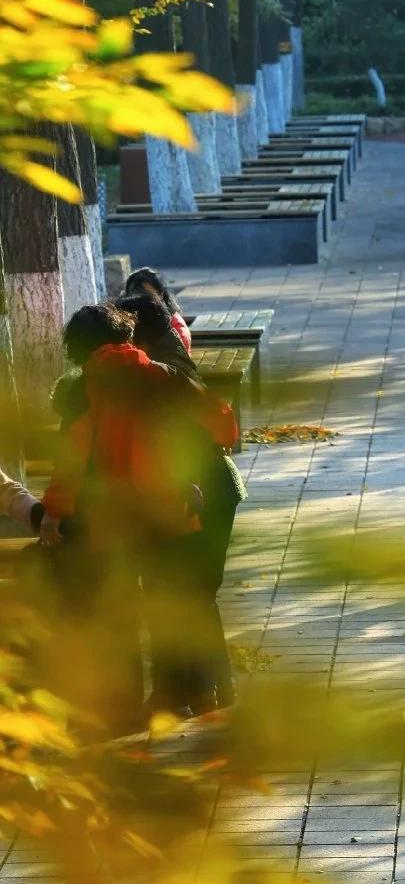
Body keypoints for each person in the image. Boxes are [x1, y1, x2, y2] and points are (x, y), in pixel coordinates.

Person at [43, 303, 238, 726]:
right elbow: (223, 423)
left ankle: (123, 708)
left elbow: (72, 459)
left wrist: (53, 512)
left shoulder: (81, 390)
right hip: (170, 511)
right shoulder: (167, 376)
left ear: (77, 348)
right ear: (126, 335)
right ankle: (186, 696)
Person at [115, 293, 242, 714]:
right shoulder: (170, 365)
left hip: (203, 492)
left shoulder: (162, 373)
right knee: (193, 593)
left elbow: (220, 430)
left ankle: (200, 693)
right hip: (207, 489)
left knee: (190, 593)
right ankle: (207, 692)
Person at [124, 266, 192, 353]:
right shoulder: (124, 324)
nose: (141, 301)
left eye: (147, 296)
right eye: (135, 296)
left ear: (161, 295)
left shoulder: (176, 330)